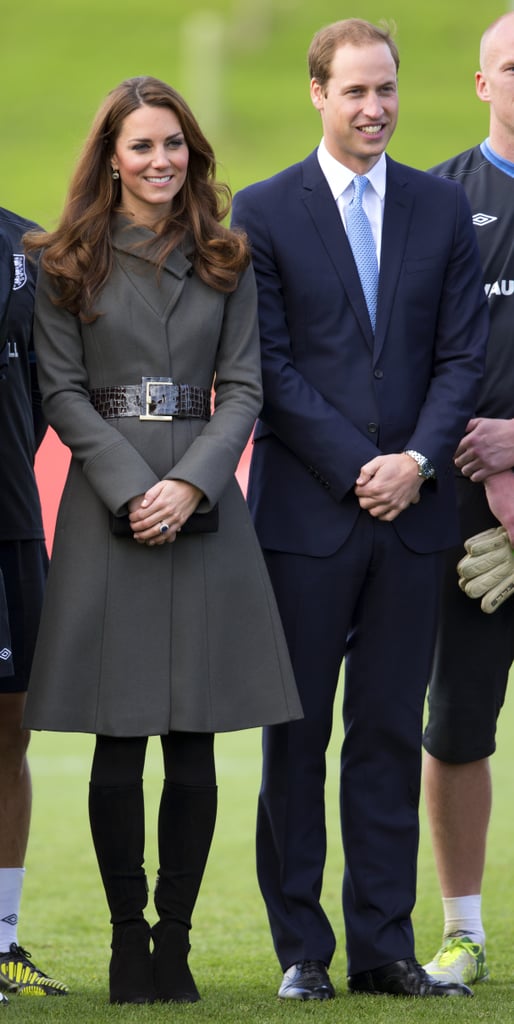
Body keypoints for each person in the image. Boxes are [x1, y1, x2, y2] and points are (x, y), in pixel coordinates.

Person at [22, 75, 302, 1005]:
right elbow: (60, 392)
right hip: (110, 502)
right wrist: (135, 486)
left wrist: (189, 484)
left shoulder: (227, 255)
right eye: (141, 146)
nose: (159, 161)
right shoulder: (64, 260)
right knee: (118, 734)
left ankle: (175, 943)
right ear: (111, 156)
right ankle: (124, 942)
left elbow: (249, 388)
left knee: (193, 738)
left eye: (173, 144)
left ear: (193, 153)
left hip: (204, 503)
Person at [231, 17, 489, 1001]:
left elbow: (461, 355)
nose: (374, 108)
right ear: (316, 94)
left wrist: (418, 459)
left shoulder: (438, 208)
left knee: (385, 732)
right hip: (304, 520)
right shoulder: (261, 212)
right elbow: (271, 367)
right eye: (354, 92)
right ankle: (304, 949)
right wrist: (363, 467)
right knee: (295, 740)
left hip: (416, 519)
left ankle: (383, 946)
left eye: (386, 89)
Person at [422, 10, 514, 987]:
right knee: (453, 726)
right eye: (512, 66)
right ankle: (462, 930)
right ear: (482, 82)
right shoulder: (436, 205)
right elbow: (403, 373)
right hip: (464, 530)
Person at [0, 208, 68, 997]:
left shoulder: (30, 248)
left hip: (12, 523)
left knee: (8, 728)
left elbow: (53, 389)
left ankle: (4, 941)